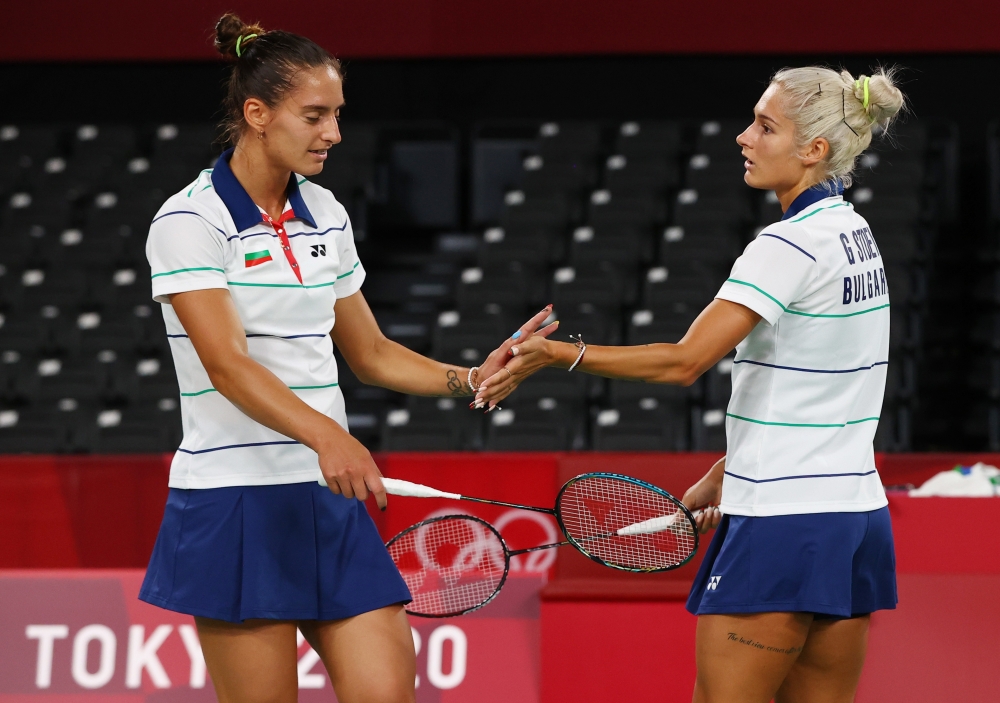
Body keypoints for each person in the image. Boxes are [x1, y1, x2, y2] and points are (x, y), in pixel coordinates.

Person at [138, 14, 555, 703]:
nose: (332, 132)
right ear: (257, 114)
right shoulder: (189, 223)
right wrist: (328, 434)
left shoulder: (326, 212)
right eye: (314, 115)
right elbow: (228, 365)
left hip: (329, 499)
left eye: (337, 114)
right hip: (235, 501)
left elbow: (370, 352)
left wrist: (471, 378)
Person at [477, 66, 905, 703]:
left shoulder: (787, 245)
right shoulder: (854, 234)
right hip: (855, 519)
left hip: (781, 523)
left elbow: (683, 362)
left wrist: (554, 355)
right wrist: (730, 467)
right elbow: (827, 391)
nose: (743, 137)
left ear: (814, 150)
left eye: (765, 126)